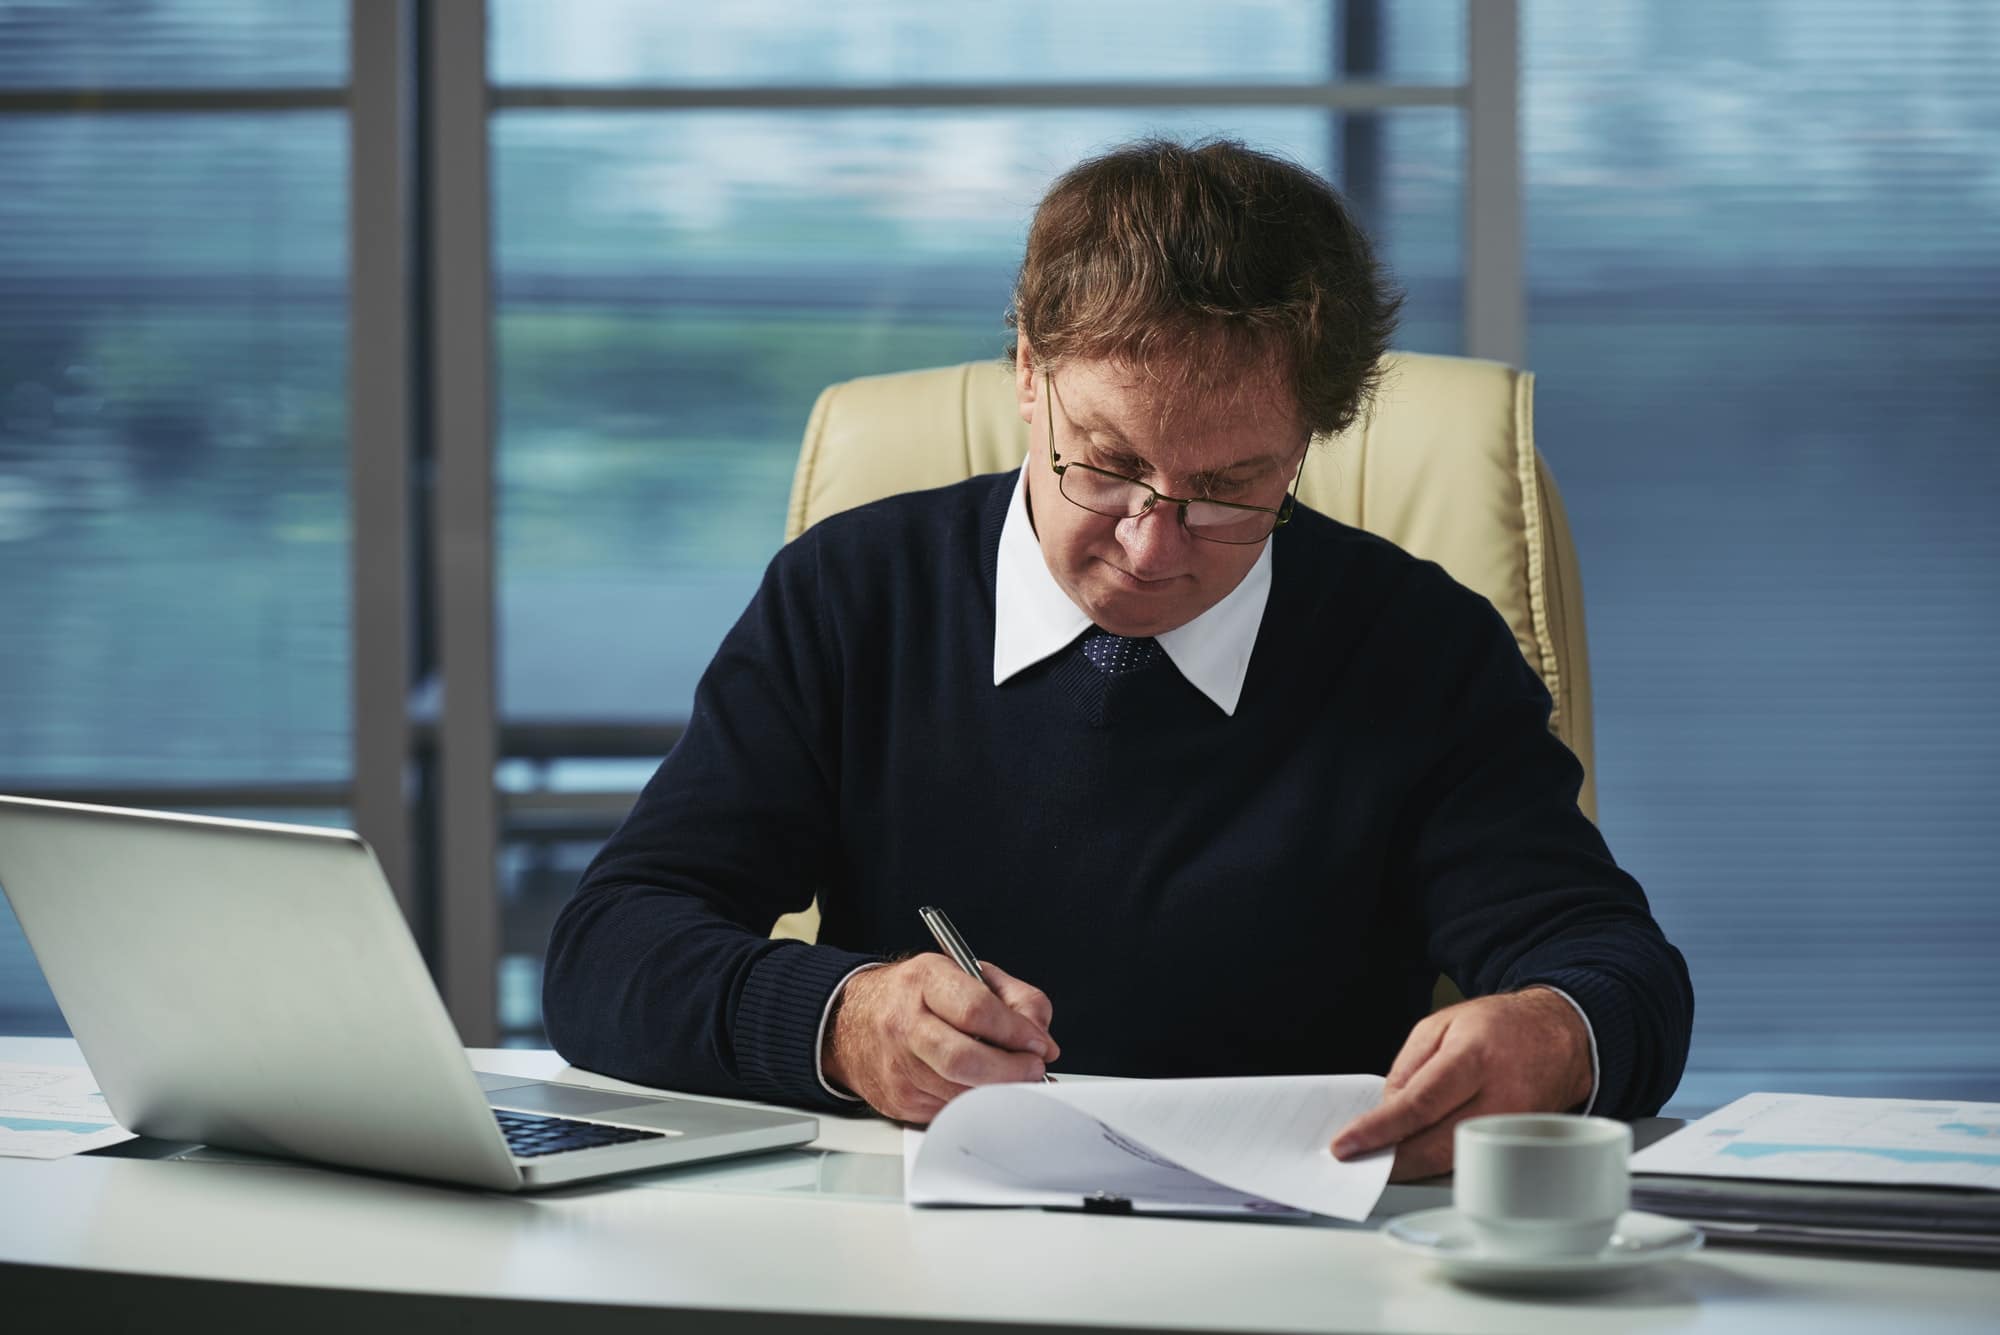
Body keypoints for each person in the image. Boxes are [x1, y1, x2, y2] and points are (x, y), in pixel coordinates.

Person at [543, 137, 1693, 1179]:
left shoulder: (1418, 647)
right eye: (1103, 463)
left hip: (1294, 1266)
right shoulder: (855, 593)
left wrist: (1552, 1038)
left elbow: (1617, 973)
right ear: (1028, 375)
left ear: (1308, 441)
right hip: (902, 1254)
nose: (1149, 547)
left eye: (1231, 490)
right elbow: (611, 949)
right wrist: (844, 1024)